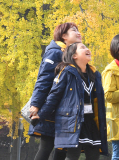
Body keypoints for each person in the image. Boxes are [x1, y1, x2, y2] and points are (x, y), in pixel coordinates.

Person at [33, 43, 108, 160]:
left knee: (94, 155)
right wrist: (40, 115)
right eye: (82, 48)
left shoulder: (95, 75)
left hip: (90, 122)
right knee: (73, 155)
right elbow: (54, 96)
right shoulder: (67, 72)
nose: (87, 49)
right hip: (71, 122)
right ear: (74, 56)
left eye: (87, 47)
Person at [29, 22, 82, 160]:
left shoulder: (70, 55)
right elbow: (44, 79)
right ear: (64, 36)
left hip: (64, 109)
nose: (78, 33)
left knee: (61, 149)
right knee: (46, 147)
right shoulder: (55, 52)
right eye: (74, 30)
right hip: (51, 108)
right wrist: (35, 104)